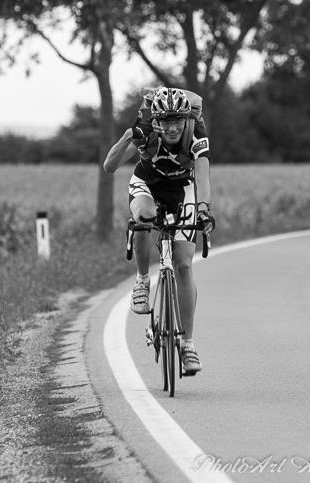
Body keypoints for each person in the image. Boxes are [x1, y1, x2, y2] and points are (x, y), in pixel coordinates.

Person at [103, 86, 215, 375]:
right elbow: (109, 166)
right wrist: (130, 134)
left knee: (183, 265)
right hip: (147, 183)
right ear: (156, 122)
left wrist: (203, 210)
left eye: (178, 120)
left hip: (183, 188)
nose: (173, 127)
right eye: (166, 121)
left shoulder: (195, 133)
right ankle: (142, 281)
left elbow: (202, 175)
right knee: (144, 218)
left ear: (187, 118)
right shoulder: (145, 132)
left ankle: (188, 346)